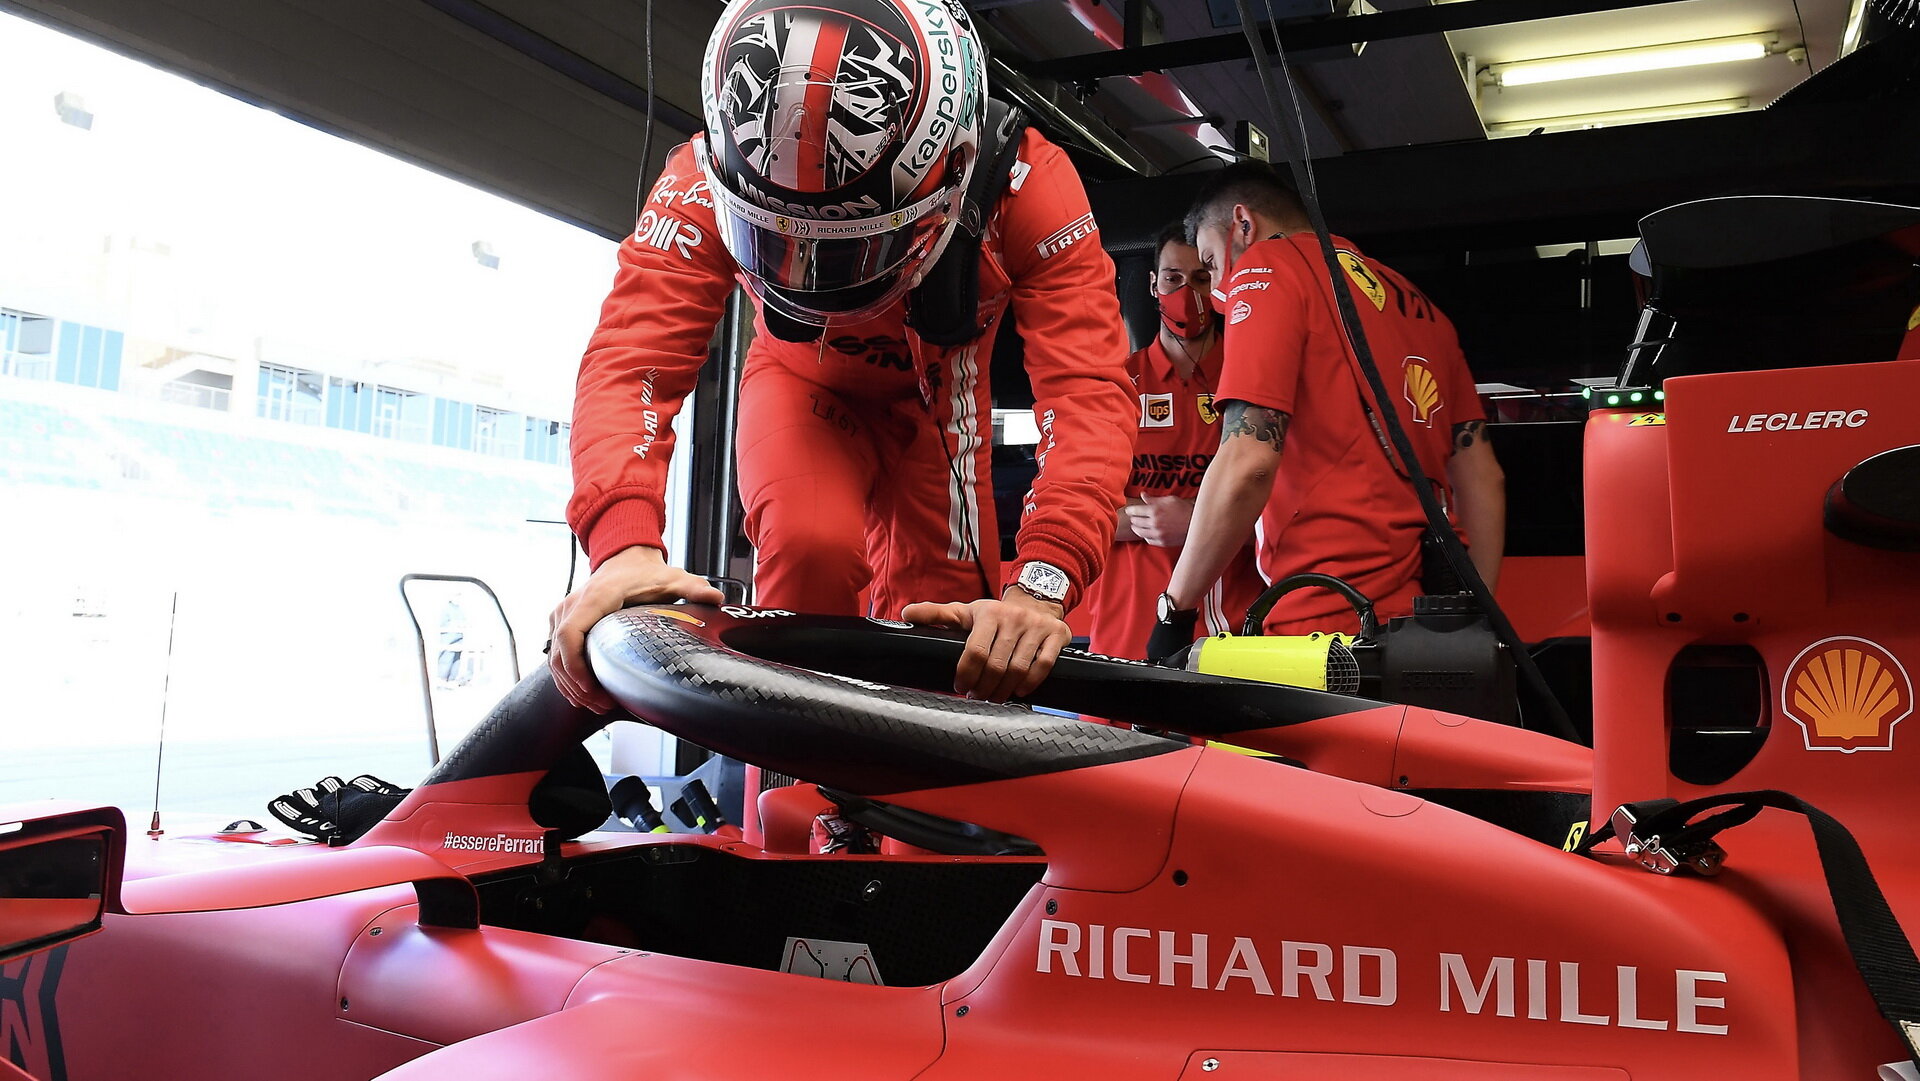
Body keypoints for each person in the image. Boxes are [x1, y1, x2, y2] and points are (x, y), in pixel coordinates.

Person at [548, 0, 1135, 707]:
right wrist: (623, 550)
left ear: (955, 174)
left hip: (945, 406)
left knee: (961, 655)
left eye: (847, 243)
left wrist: (1043, 584)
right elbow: (632, 360)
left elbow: (1088, 400)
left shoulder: (1032, 187)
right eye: (779, 239)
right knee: (809, 550)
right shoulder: (700, 177)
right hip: (800, 387)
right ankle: (791, 803)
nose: (811, 275)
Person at [1148, 163, 1505, 654]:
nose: (1213, 293)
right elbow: (1483, 479)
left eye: (1210, 263)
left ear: (1242, 224)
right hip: (1427, 633)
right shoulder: (1419, 306)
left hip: (1322, 626)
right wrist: (1471, 619)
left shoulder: (1266, 268)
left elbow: (1248, 461)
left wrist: (1175, 609)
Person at [1078, 223, 1264, 659]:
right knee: (1108, 729)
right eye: (1173, 278)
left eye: (1201, 278)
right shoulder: (1115, 383)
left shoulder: (1253, 378)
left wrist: (1197, 523)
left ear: (1220, 280)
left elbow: (1283, 506)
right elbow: (1072, 503)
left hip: (1230, 631)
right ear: (1152, 283)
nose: (1186, 291)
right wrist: (1143, 522)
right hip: (1124, 629)